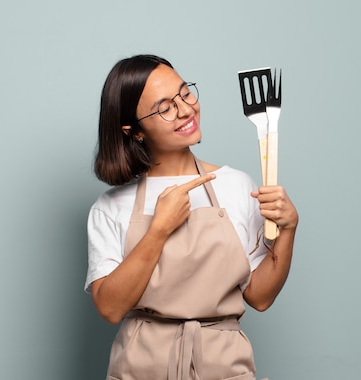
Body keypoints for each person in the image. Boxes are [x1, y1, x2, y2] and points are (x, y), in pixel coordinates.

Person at [85, 54, 299, 380]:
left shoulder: (237, 185)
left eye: (185, 93)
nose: (186, 110)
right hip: (141, 367)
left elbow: (260, 295)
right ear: (134, 130)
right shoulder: (111, 207)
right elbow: (111, 308)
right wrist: (158, 229)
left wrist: (288, 229)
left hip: (224, 366)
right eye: (165, 107)